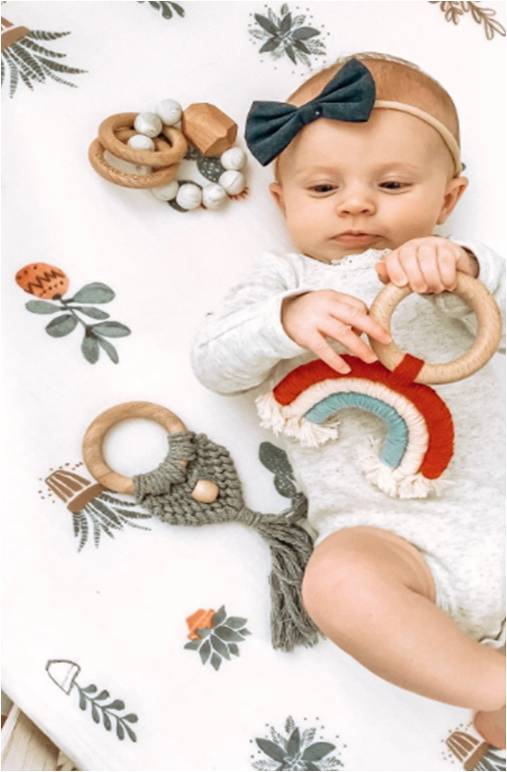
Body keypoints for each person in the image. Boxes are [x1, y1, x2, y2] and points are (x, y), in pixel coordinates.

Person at [191, 53, 506, 747]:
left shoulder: (457, 271)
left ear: (447, 199)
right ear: (281, 201)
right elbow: (213, 363)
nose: (357, 203)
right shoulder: (281, 282)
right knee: (334, 584)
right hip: (395, 546)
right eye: (322, 186)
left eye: (392, 183)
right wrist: (284, 318)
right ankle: (491, 682)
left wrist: (466, 270)